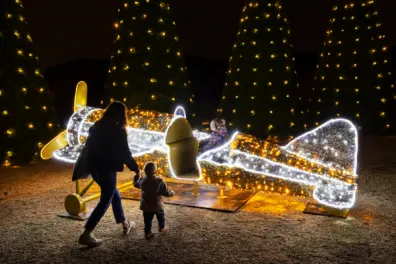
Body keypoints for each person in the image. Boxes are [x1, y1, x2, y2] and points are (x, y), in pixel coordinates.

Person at [78, 101, 141, 247]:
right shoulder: (118, 129)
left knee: (113, 193)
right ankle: (86, 234)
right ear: (121, 114)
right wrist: (136, 168)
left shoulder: (96, 126)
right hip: (107, 168)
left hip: (94, 167)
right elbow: (125, 153)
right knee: (106, 199)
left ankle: (125, 223)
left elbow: (89, 147)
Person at [133, 162, 175, 239]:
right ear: (155, 171)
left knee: (147, 220)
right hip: (157, 205)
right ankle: (161, 227)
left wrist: (137, 175)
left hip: (146, 206)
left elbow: (135, 184)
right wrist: (172, 192)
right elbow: (166, 192)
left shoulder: (142, 181)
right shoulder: (159, 181)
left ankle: (147, 232)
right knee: (161, 217)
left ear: (144, 171)